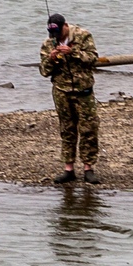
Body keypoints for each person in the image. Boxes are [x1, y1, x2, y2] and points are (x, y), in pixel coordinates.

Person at [38, 12, 101, 183]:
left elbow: (92, 59)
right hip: (61, 90)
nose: (57, 37)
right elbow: (44, 71)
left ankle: (88, 168)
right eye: (53, 35)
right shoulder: (49, 43)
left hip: (83, 90)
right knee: (67, 129)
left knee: (89, 128)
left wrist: (73, 52)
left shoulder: (83, 35)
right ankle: (69, 169)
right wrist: (52, 59)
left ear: (65, 26)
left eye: (59, 33)